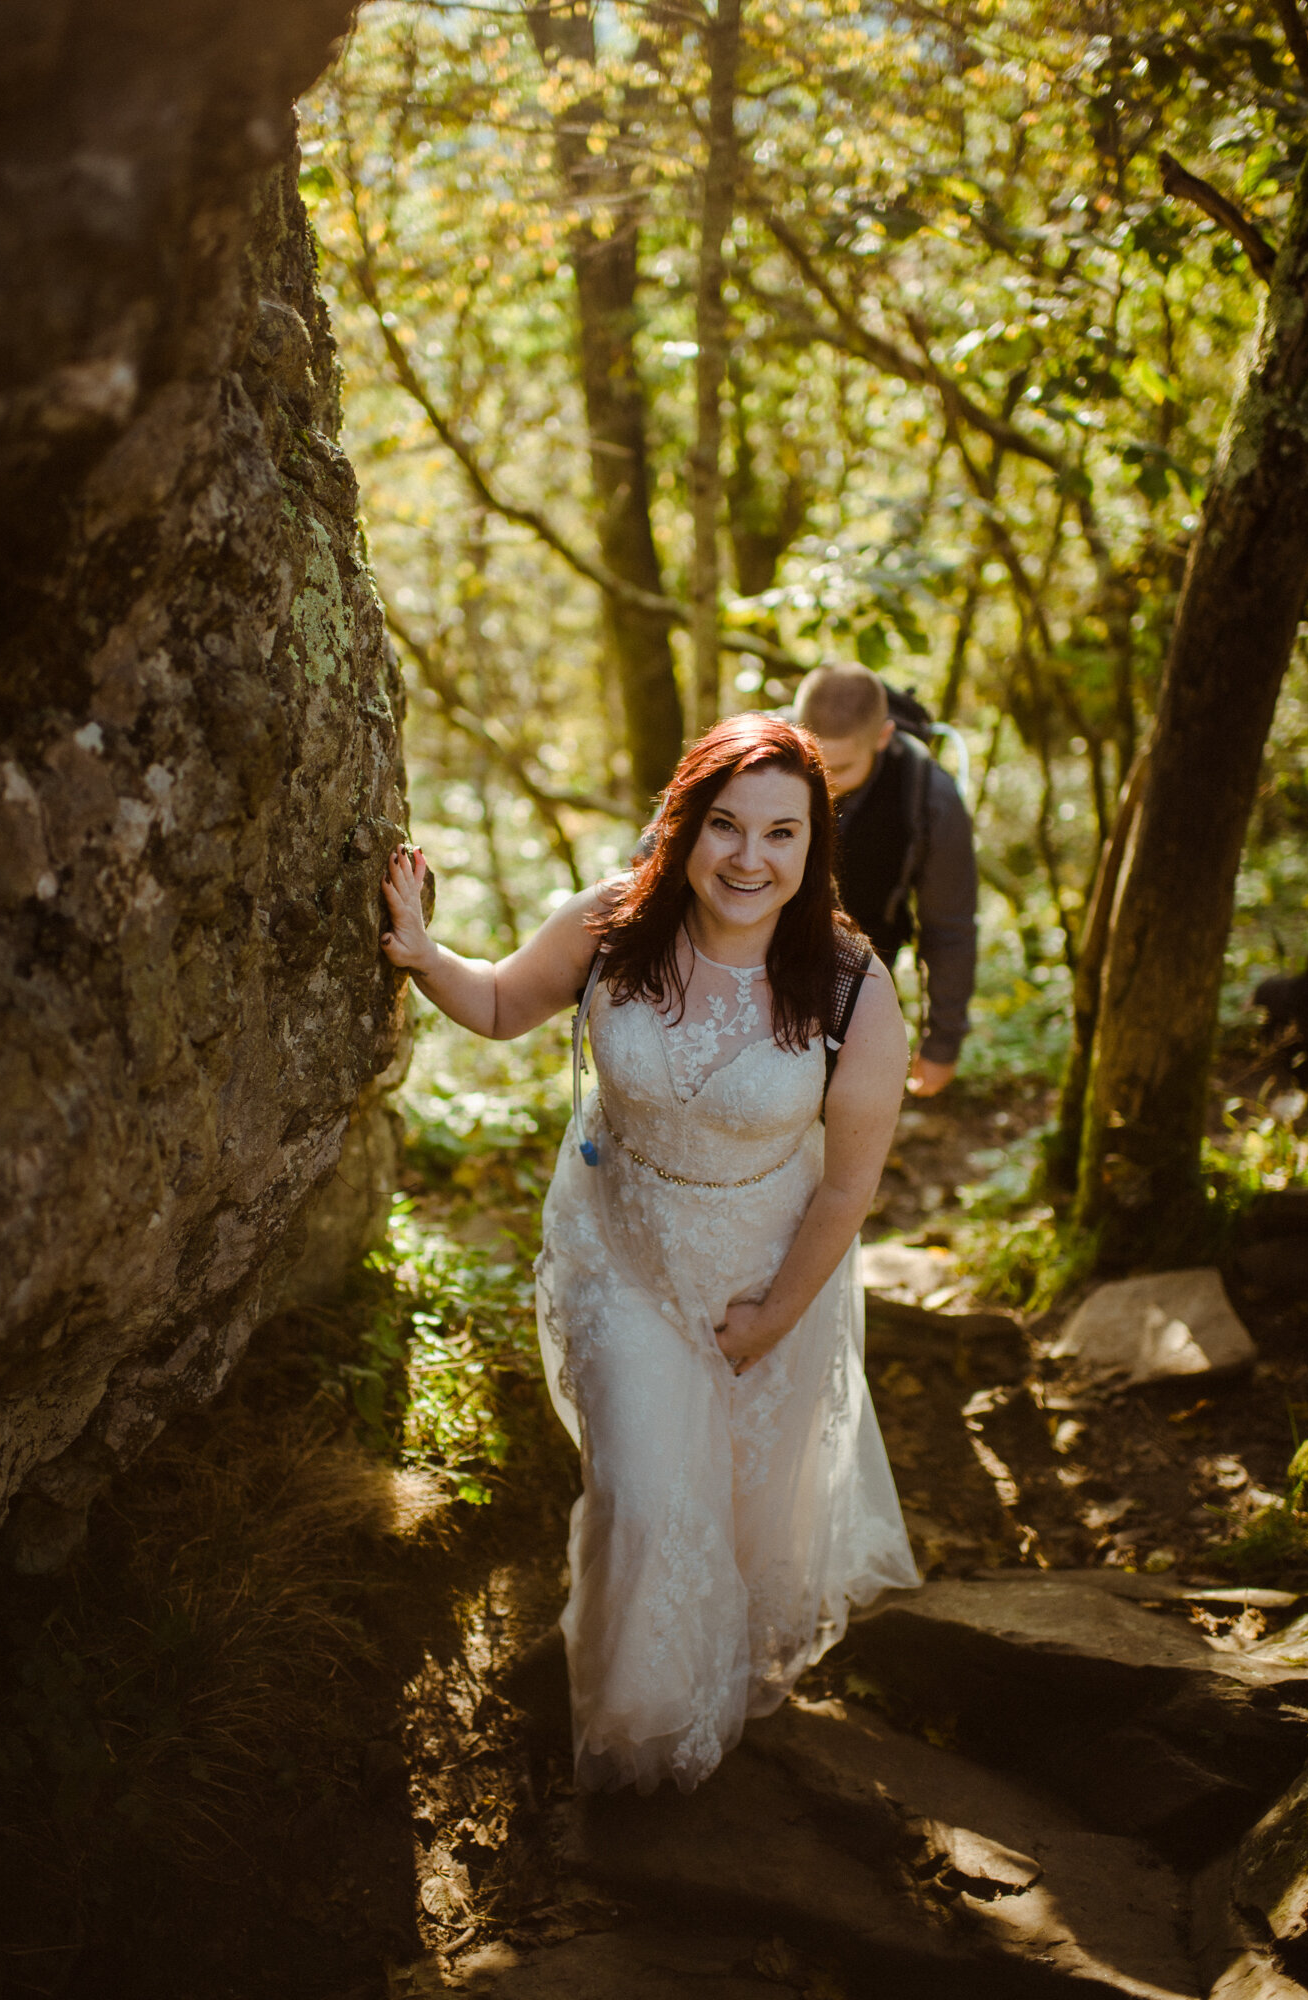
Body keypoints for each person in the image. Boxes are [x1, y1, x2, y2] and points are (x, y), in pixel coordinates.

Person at [379, 714, 918, 1795]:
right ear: (684, 822)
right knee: (642, 1489)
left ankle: (726, 1673)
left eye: (780, 833)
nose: (749, 858)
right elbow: (497, 1001)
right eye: (725, 825)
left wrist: (770, 1318)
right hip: (617, 1256)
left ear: (814, 846)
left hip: (768, 1274)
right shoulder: (612, 923)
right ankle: (642, 1734)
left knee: (746, 1509)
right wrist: (424, 953)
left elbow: (851, 1184)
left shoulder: (852, 986)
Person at [794, 664, 977, 1098]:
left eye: (839, 767)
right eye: (813, 762)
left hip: (859, 995)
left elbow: (949, 928)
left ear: (882, 737)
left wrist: (942, 1042)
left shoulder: (929, 796)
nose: (824, 781)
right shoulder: (753, 754)